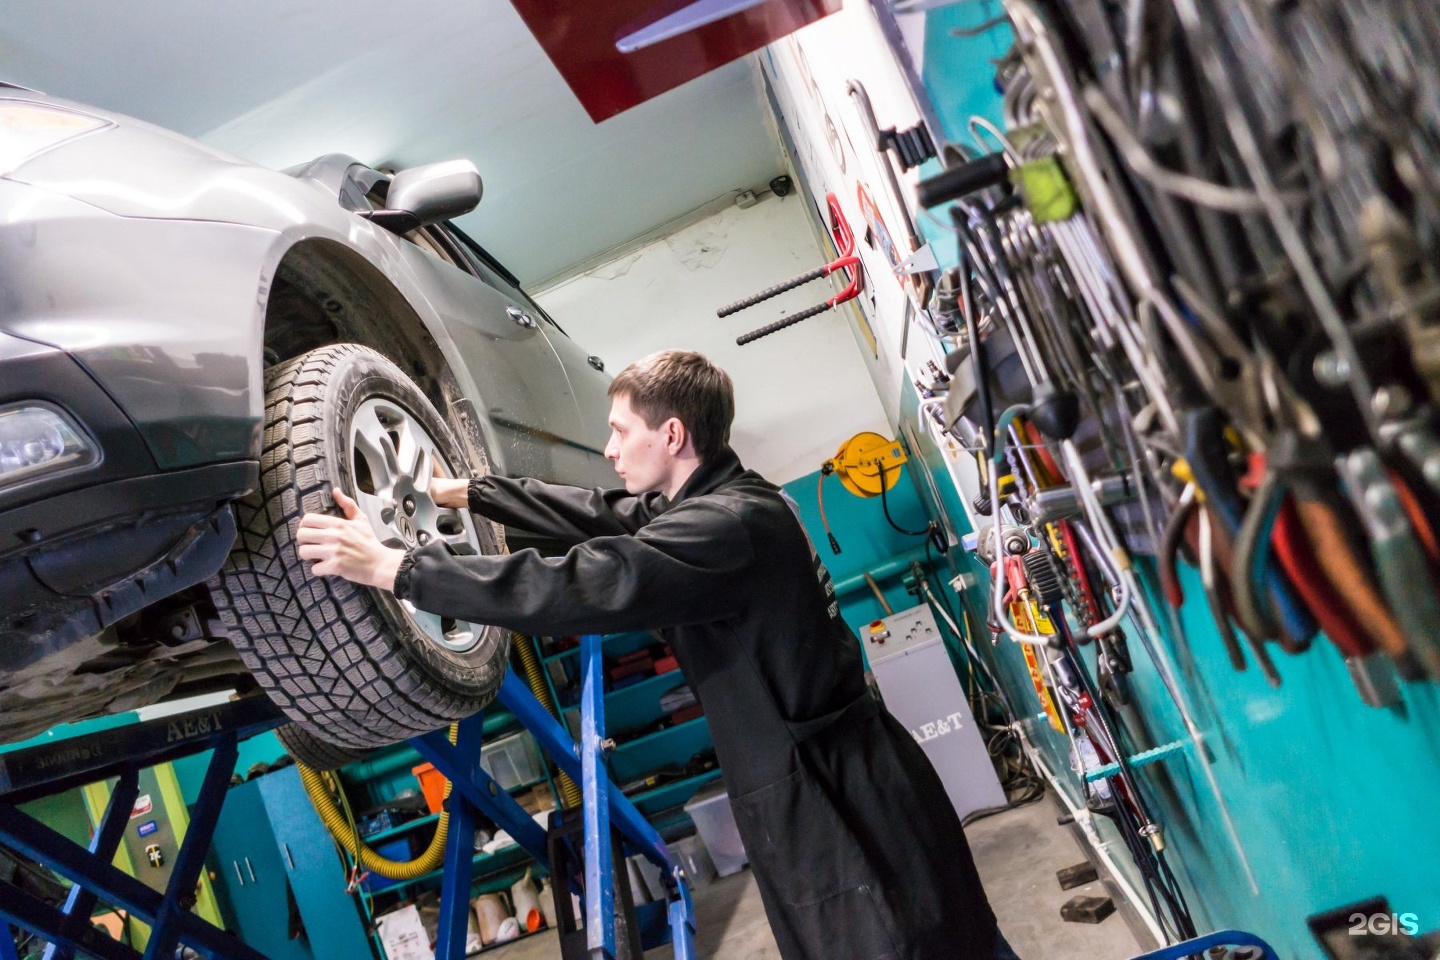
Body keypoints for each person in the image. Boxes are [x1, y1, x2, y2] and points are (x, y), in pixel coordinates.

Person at [297, 349, 1017, 960]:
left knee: (896, 943)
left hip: (832, 799)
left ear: (670, 434)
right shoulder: (724, 498)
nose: (609, 448)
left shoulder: (725, 527)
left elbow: (592, 582)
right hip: (818, 775)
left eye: (619, 431)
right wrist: (472, 493)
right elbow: (601, 512)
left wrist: (399, 570)